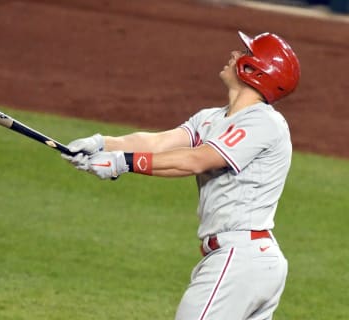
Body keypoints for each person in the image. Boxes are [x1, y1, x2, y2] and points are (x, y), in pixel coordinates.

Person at [62, 31, 300, 320]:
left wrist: (122, 163)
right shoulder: (212, 118)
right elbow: (158, 143)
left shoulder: (263, 121)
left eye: (244, 53)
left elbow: (197, 160)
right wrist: (103, 143)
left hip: (241, 260)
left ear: (254, 71)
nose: (235, 55)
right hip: (245, 261)